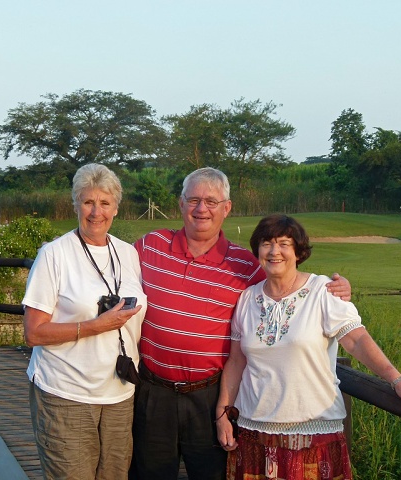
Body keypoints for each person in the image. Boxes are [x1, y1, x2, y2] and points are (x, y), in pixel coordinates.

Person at [131, 167, 352, 480]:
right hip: (154, 390)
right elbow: (109, 272)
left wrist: (337, 290)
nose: (201, 208)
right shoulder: (150, 246)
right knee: (148, 474)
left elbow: (287, 284)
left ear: (227, 208)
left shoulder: (245, 266)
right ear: (181, 204)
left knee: (211, 474)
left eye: (211, 201)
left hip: (209, 396)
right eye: (193, 200)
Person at [215, 214, 401, 480]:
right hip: (254, 432)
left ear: (299, 252)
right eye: (267, 243)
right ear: (258, 250)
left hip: (314, 435)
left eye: (284, 244)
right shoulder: (247, 299)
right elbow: (237, 361)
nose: (275, 251)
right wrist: (222, 411)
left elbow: (356, 339)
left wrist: (397, 379)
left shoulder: (323, 291)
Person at [22, 163, 147, 480]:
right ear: (75, 204)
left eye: (104, 203)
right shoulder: (54, 255)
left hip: (119, 394)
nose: (96, 212)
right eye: (88, 202)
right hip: (67, 394)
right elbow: (33, 333)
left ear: (116, 208)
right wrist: (96, 325)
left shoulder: (128, 253)